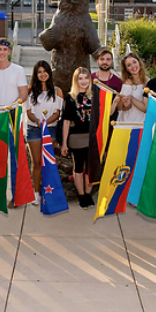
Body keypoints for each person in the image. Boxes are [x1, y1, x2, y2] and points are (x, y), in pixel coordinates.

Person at [25, 60, 63, 204]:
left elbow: (57, 112)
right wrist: (39, 122)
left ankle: (48, 191)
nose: (42, 74)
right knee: (36, 162)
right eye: (39, 72)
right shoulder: (30, 91)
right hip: (34, 129)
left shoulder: (57, 90)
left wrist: (46, 123)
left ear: (49, 73)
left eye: (45, 71)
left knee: (47, 162)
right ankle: (36, 193)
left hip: (51, 130)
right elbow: (29, 112)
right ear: (35, 74)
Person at [61, 67, 94, 208]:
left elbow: (103, 115)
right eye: (80, 78)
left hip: (92, 138)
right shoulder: (70, 97)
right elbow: (66, 121)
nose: (83, 81)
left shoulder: (94, 95)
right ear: (75, 80)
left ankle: (88, 193)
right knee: (79, 167)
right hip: (76, 138)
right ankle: (81, 195)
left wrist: (116, 102)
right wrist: (64, 143)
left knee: (91, 168)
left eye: (86, 78)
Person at [0, 38, 28, 106]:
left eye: (5, 49)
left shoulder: (19, 70)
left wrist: (11, 107)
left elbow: (23, 94)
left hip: (14, 112)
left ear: (9, 52)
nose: (2, 52)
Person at [112, 52, 148, 123]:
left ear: (139, 63)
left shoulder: (148, 82)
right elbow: (121, 108)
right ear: (126, 69)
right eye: (129, 65)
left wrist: (132, 98)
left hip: (143, 123)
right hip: (128, 122)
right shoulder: (126, 84)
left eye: (134, 62)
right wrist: (124, 104)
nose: (133, 66)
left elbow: (147, 108)